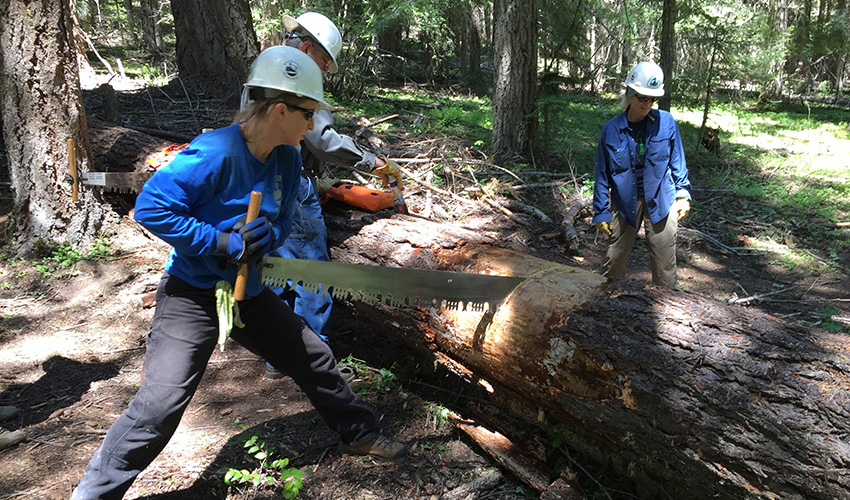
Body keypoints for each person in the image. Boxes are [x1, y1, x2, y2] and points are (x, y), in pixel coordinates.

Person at [70, 45, 406, 500]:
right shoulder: (215, 152)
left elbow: (286, 217)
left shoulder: (288, 159)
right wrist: (220, 242)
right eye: (308, 114)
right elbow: (151, 208)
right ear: (281, 110)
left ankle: (359, 433)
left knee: (313, 357)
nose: (313, 125)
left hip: (247, 290)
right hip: (193, 292)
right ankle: (94, 494)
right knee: (160, 403)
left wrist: (265, 238)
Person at [264, 12, 402, 379]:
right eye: (324, 63)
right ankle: (317, 365)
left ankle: (279, 358)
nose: (323, 72)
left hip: (261, 184)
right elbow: (322, 140)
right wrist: (372, 162)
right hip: (292, 187)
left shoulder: (266, 66)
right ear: (308, 48)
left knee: (277, 271)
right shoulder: (299, 76)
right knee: (314, 275)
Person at [591, 61, 692, 288]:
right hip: (625, 202)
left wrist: (683, 193)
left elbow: (677, 160)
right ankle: (604, 311)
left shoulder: (666, 123)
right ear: (630, 94)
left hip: (661, 199)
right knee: (613, 264)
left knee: (665, 267)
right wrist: (600, 212)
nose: (647, 103)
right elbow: (601, 174)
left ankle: (669, 313)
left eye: (652, 99)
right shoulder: (611, 130)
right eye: (642, 97)